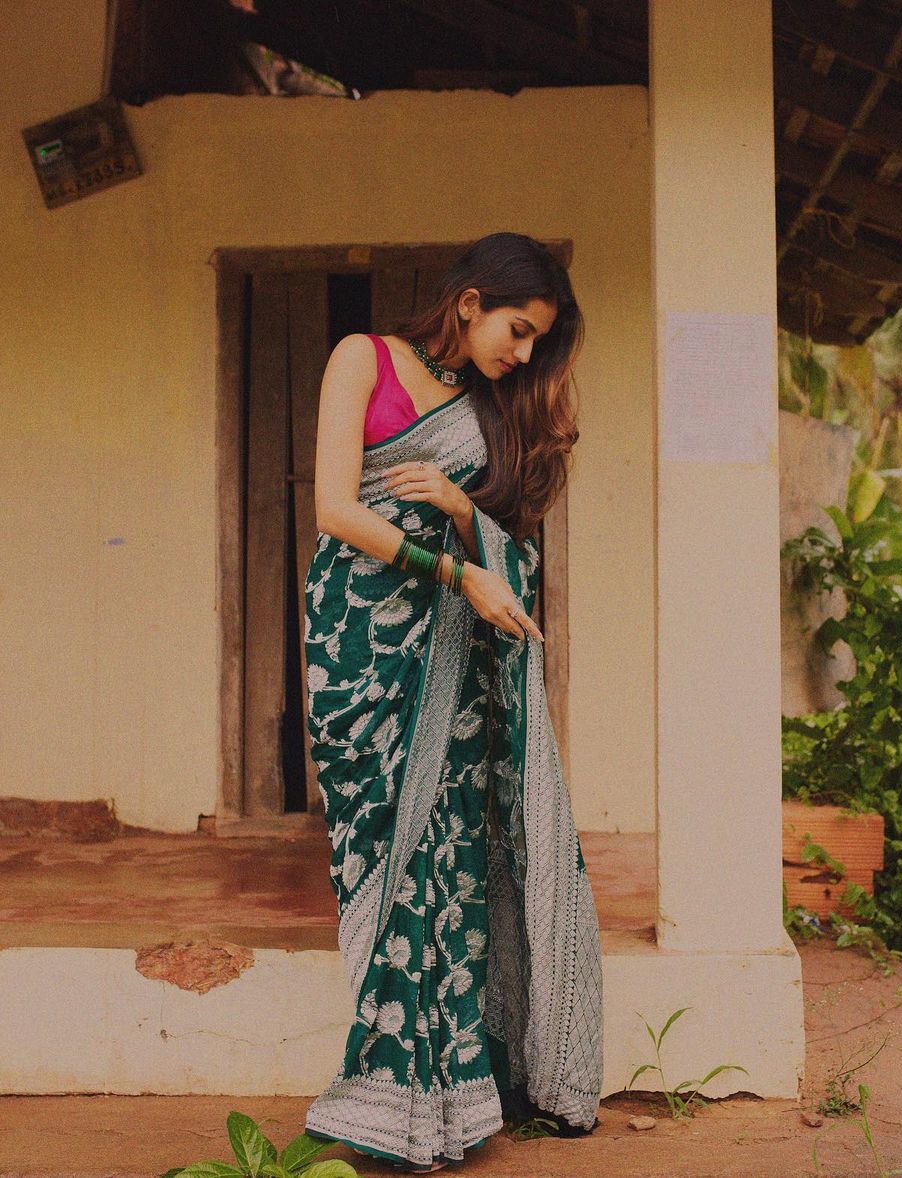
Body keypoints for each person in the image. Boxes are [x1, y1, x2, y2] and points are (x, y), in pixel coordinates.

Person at [302, 232, 603, 1173]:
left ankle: (442, 1103)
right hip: (358, 637)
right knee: (381, 845)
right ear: (469, 303)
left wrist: (464, 512)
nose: (522, 354)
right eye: (518, 331)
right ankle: (393, 1088)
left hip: (448, 656)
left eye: (535, 342)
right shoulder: (363, 358)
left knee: (450, 853)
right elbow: (333, 508)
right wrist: (451, 568)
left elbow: (512, 531)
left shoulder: (491, 407)